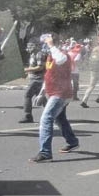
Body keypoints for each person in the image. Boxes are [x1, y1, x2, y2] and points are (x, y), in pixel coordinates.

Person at [29, 33, 79, 163]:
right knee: (60, 119)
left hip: (61, 94)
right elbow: (49, 76)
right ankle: (72, 142)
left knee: (46, 119)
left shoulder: (62, 54)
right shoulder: (51, 56)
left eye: (45, 43)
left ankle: (45, 152)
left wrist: (51, 45)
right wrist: (42, 92)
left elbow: (61, 59)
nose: (43, 46)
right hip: (54, 92)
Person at [18, 39, 48, 123]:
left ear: (37, 45)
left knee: (27, 95)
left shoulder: (39, 54)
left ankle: (28, 116)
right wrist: (27, 73)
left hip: (38, 78)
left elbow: (40, 67)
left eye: (31, 45)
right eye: (28, 45)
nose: (29, 47)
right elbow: (33, 66)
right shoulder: (33, 54)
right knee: (41, 97)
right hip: (35, 77)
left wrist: (26, 70)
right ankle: (53, 114)